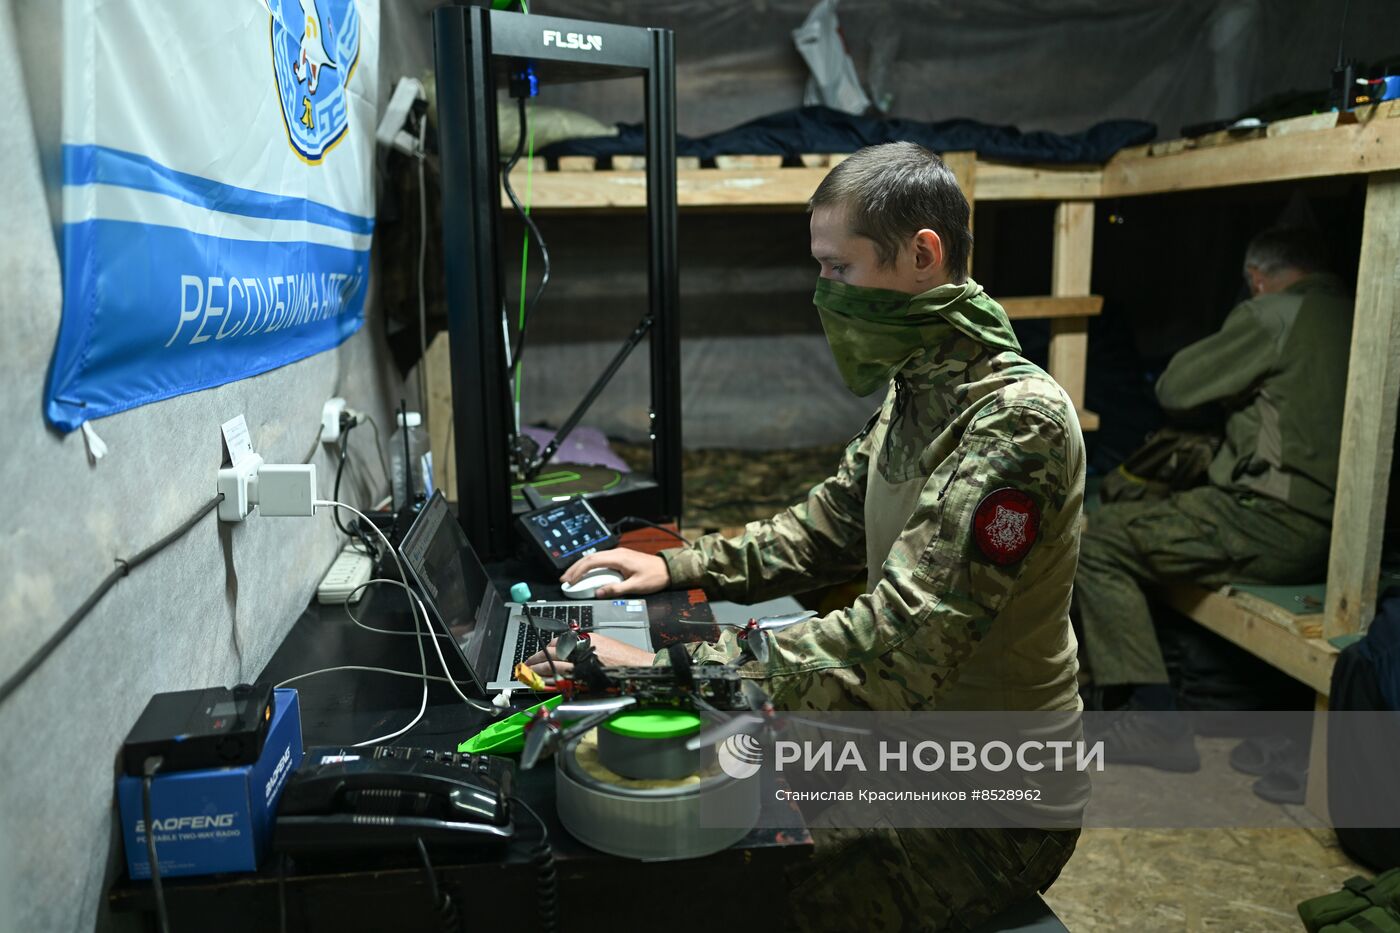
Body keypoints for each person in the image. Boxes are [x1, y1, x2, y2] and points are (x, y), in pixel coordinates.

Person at [528, 141, 1086, 931]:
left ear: (923, 255)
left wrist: (668, 668)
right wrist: (677, 565)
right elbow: (821, 528)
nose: (823, 293)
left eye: (839, 269)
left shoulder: (1015, 423)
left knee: (723, 880)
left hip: (987, 802)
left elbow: (897, 645)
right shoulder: (919, 389)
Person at [1074, 225, 1354, 770]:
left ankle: (1153, 721)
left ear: (1256, 278)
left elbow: (1176, 388)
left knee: (1100, 539)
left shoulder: (1272, 315)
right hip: (1346, 537)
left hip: (1274, 524)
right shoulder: (1361, 311)